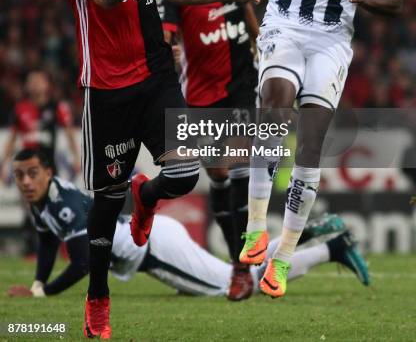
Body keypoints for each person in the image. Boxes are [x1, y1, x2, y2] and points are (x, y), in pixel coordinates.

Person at [43, 0, 259, 338]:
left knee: (183, 176)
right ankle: (98, 297)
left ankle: (149, 195)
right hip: (108, 91)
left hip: (157, 79)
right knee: (105, 200)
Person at [214, 0, 404, 298]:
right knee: (275, 109)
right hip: (285, 21)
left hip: (332, 39)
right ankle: (256, 230)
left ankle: (282, 258)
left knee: (311, 146)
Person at [8, 148, 370, 302]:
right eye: (20, 176)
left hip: (154, 249)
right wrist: (39, 281)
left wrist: (44, 293)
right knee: (239, 271)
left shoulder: (63, 205)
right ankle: (307, 233)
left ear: (48, 173)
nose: (26, 182)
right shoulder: (45, 202)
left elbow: (85, 262)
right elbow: (45, 242)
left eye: (32, 174)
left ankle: (332, 247)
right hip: (155, 239)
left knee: (246, 286)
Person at [158, 0, 258, 300]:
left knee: (240, 163)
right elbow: (167, 32)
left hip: (240, 85)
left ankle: (242, 267)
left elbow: (248, 9)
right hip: (199, 94)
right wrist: (172, 51)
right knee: (217, 176)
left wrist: (262, 43)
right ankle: (239, 261)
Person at [1, 70, 80, 181]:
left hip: (49, 164)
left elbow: (69, 133)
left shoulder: (57, 106)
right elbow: (11, 139)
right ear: (27, 86)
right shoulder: (20, 108)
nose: (35, 84)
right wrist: (4, 164)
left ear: (47, 84)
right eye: (32, 81)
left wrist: (76, 158)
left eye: (39, 81)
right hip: (27, 165)